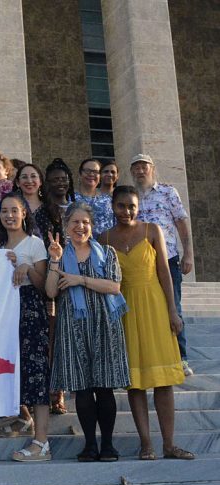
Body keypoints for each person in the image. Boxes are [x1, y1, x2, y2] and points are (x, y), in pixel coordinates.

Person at [100, 186, 194, 461]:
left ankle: (169, 444)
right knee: (136, 383)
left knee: (163, 381)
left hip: (154, 305)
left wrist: (173, 311)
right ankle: (146, 444)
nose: (126, 211)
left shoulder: (153, 230)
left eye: (131, 205)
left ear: (138, 206)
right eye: (121, 205)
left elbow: (165, 272)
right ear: (113, 207)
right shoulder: (104, 237)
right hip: (124, 310)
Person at [45, 202, 129, 462]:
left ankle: (108, 445)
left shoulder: (106, 252)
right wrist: (55, 260)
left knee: (104, 388)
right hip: (73, 325)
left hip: (104, 323)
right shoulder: (60, 254)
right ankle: (89, 445)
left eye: (86, 223)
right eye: (75, 222)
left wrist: (79, 279)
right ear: (66, 226)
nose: (81, 227)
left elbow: (114, 287)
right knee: (81, 390)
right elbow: (50, 292)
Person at [0, 193, 52, 462]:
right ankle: (21, 418)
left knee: (36, 372)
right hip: (3, 312)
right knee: (7, 368)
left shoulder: (35, 244)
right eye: (4, 211)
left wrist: (27, 267)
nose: (9, 215)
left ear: (24, 213)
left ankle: (42, 442)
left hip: (30, 309)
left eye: (14, 210)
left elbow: (44, 288)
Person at [130, 153, 195, 377]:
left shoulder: (168, 192)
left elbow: (181, 224)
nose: (140, 171)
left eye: (144, 166)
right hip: (140, 262)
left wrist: (188, 254)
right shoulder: (130, 197)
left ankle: (181, 357)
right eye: (136, 167)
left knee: (173, 305)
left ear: (153, 169)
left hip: (168, 259)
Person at [34, 159, 76, 416]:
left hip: (76, 277)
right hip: (51, 276)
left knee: (64, 339)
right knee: (50, 337)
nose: (60, 183)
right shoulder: (42, 212)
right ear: (47, 184)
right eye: (55, 179)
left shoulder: (78, 207)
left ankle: (62, 389)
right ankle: (52, 393)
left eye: (64, 178)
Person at [75, 158, 114, 238]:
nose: (91, 174)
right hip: (78, 246)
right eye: (87, 171)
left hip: (104, 247)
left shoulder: (108, 200)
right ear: (80, 174)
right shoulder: (71, 198)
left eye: (95, 172)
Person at [14, 163, 45, 232]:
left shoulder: (51, 209)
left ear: (40, 181)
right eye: (24, 177)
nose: (29, 181)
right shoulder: (11, 208)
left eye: (33, 176)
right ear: (17, 183)